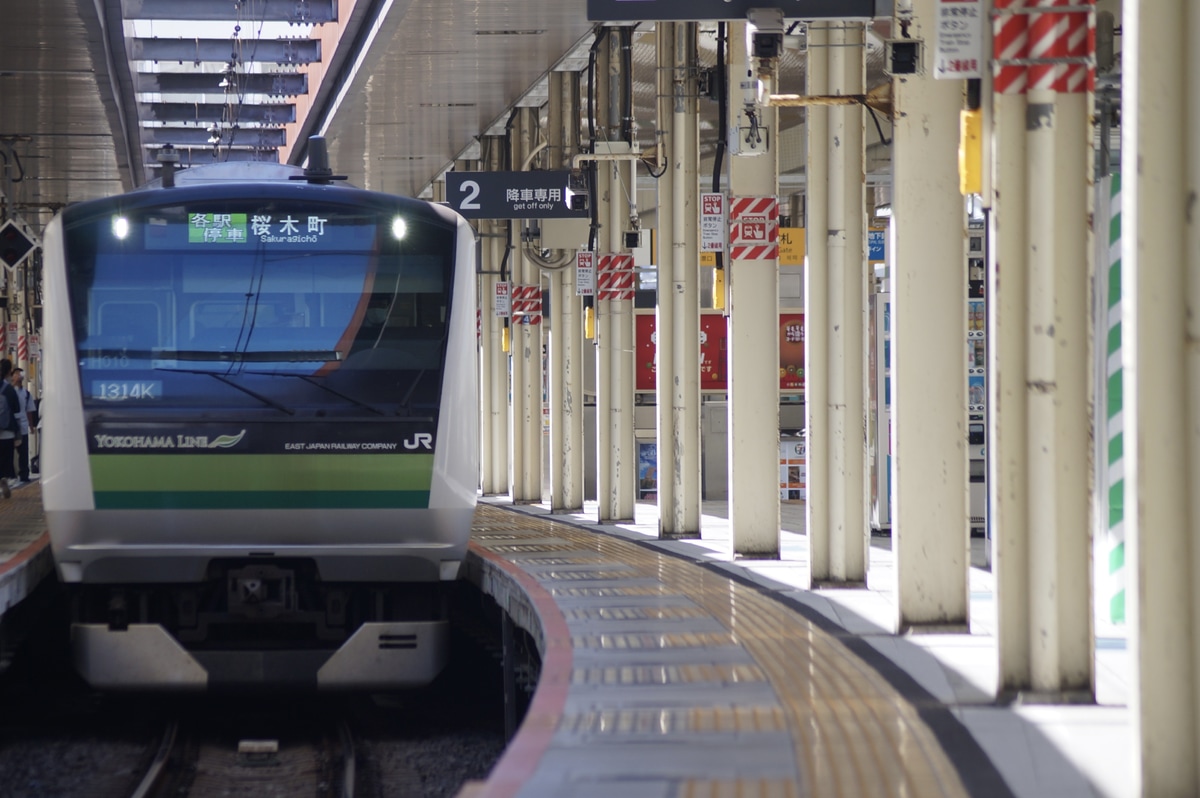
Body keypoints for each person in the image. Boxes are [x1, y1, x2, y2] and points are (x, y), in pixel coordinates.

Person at [0, 359, 20, 499]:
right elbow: (17, 413)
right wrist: (18, 434)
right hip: (7, 432)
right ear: (9, 372)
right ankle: (4, 479)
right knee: (6, 459)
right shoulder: (10, 390)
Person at [10, 367, 32, 483]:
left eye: (20, 374)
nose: (18, 376)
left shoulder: (26, 394)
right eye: (16, 374)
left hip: (22, 426)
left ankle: (24, 474)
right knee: (8, 451)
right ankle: (11, 475)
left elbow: (29, 410)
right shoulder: (8, 390)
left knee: (23, 451)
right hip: (10, 425)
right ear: (12, 376)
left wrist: (31, 427)